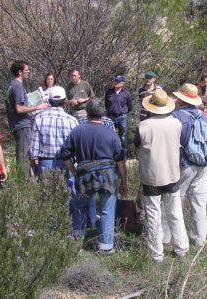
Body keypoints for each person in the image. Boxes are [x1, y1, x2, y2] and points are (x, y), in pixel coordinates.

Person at [60, 98, 127, 255]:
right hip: (108, 176)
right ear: (102, 114)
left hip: (84, 175)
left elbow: (65, 155)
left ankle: (77, 238)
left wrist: (74, 172)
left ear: (87, 113)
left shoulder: (78, 130)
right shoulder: (111, 133)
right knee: (107, 210)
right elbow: (120, 161)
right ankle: (105, 245)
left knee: (79, 206)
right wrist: (124, 181)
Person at [135, 88, 190, 262]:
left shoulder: (143, 126)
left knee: (153, 214)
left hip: (151, 176)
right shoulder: (176, 124)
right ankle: (181, 248)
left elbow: (137, 145)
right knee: (175, 212)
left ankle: (157, 254)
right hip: (171, 174)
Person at [167, 83, 207, 247]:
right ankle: (199, 238)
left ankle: (174, 237)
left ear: (181, 98)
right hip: (203, 162)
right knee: (199, 202)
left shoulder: (177, 116)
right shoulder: (204, 115)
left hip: (184, 163)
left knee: (175, 200)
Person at [28, 86, 78, 212]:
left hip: (46, 162)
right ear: (64, 101)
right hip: (67, 162)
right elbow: (76, 146)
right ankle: (72, 225)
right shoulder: (72, 120)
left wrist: (33, 162)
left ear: (49, 101)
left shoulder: (39, 118)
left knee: (47, 196)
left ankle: (50, 228)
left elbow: (34, 144)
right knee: (70, 194)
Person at [5, 60, 49, 172]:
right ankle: (23, 186)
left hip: (16, 124)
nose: (28, 71)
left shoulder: (10, 85)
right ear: (20, 72)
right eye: (26, 70)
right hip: (22, 125)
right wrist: (38, 107)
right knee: (23, 157)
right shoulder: (17, 86)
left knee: (23, 155)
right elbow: (19, 108)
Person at [105, 75, 133, 158]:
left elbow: (130, 105)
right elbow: (106, 104)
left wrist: (124, 113)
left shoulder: (126, 93)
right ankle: (110, 156)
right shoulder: (109, 92)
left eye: (118, 81)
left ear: (122, 83)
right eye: (115, 81)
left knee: (123, 137)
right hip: (110, 117)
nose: (115, 82)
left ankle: (123, 157)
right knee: (109, 137)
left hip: (122, 117)